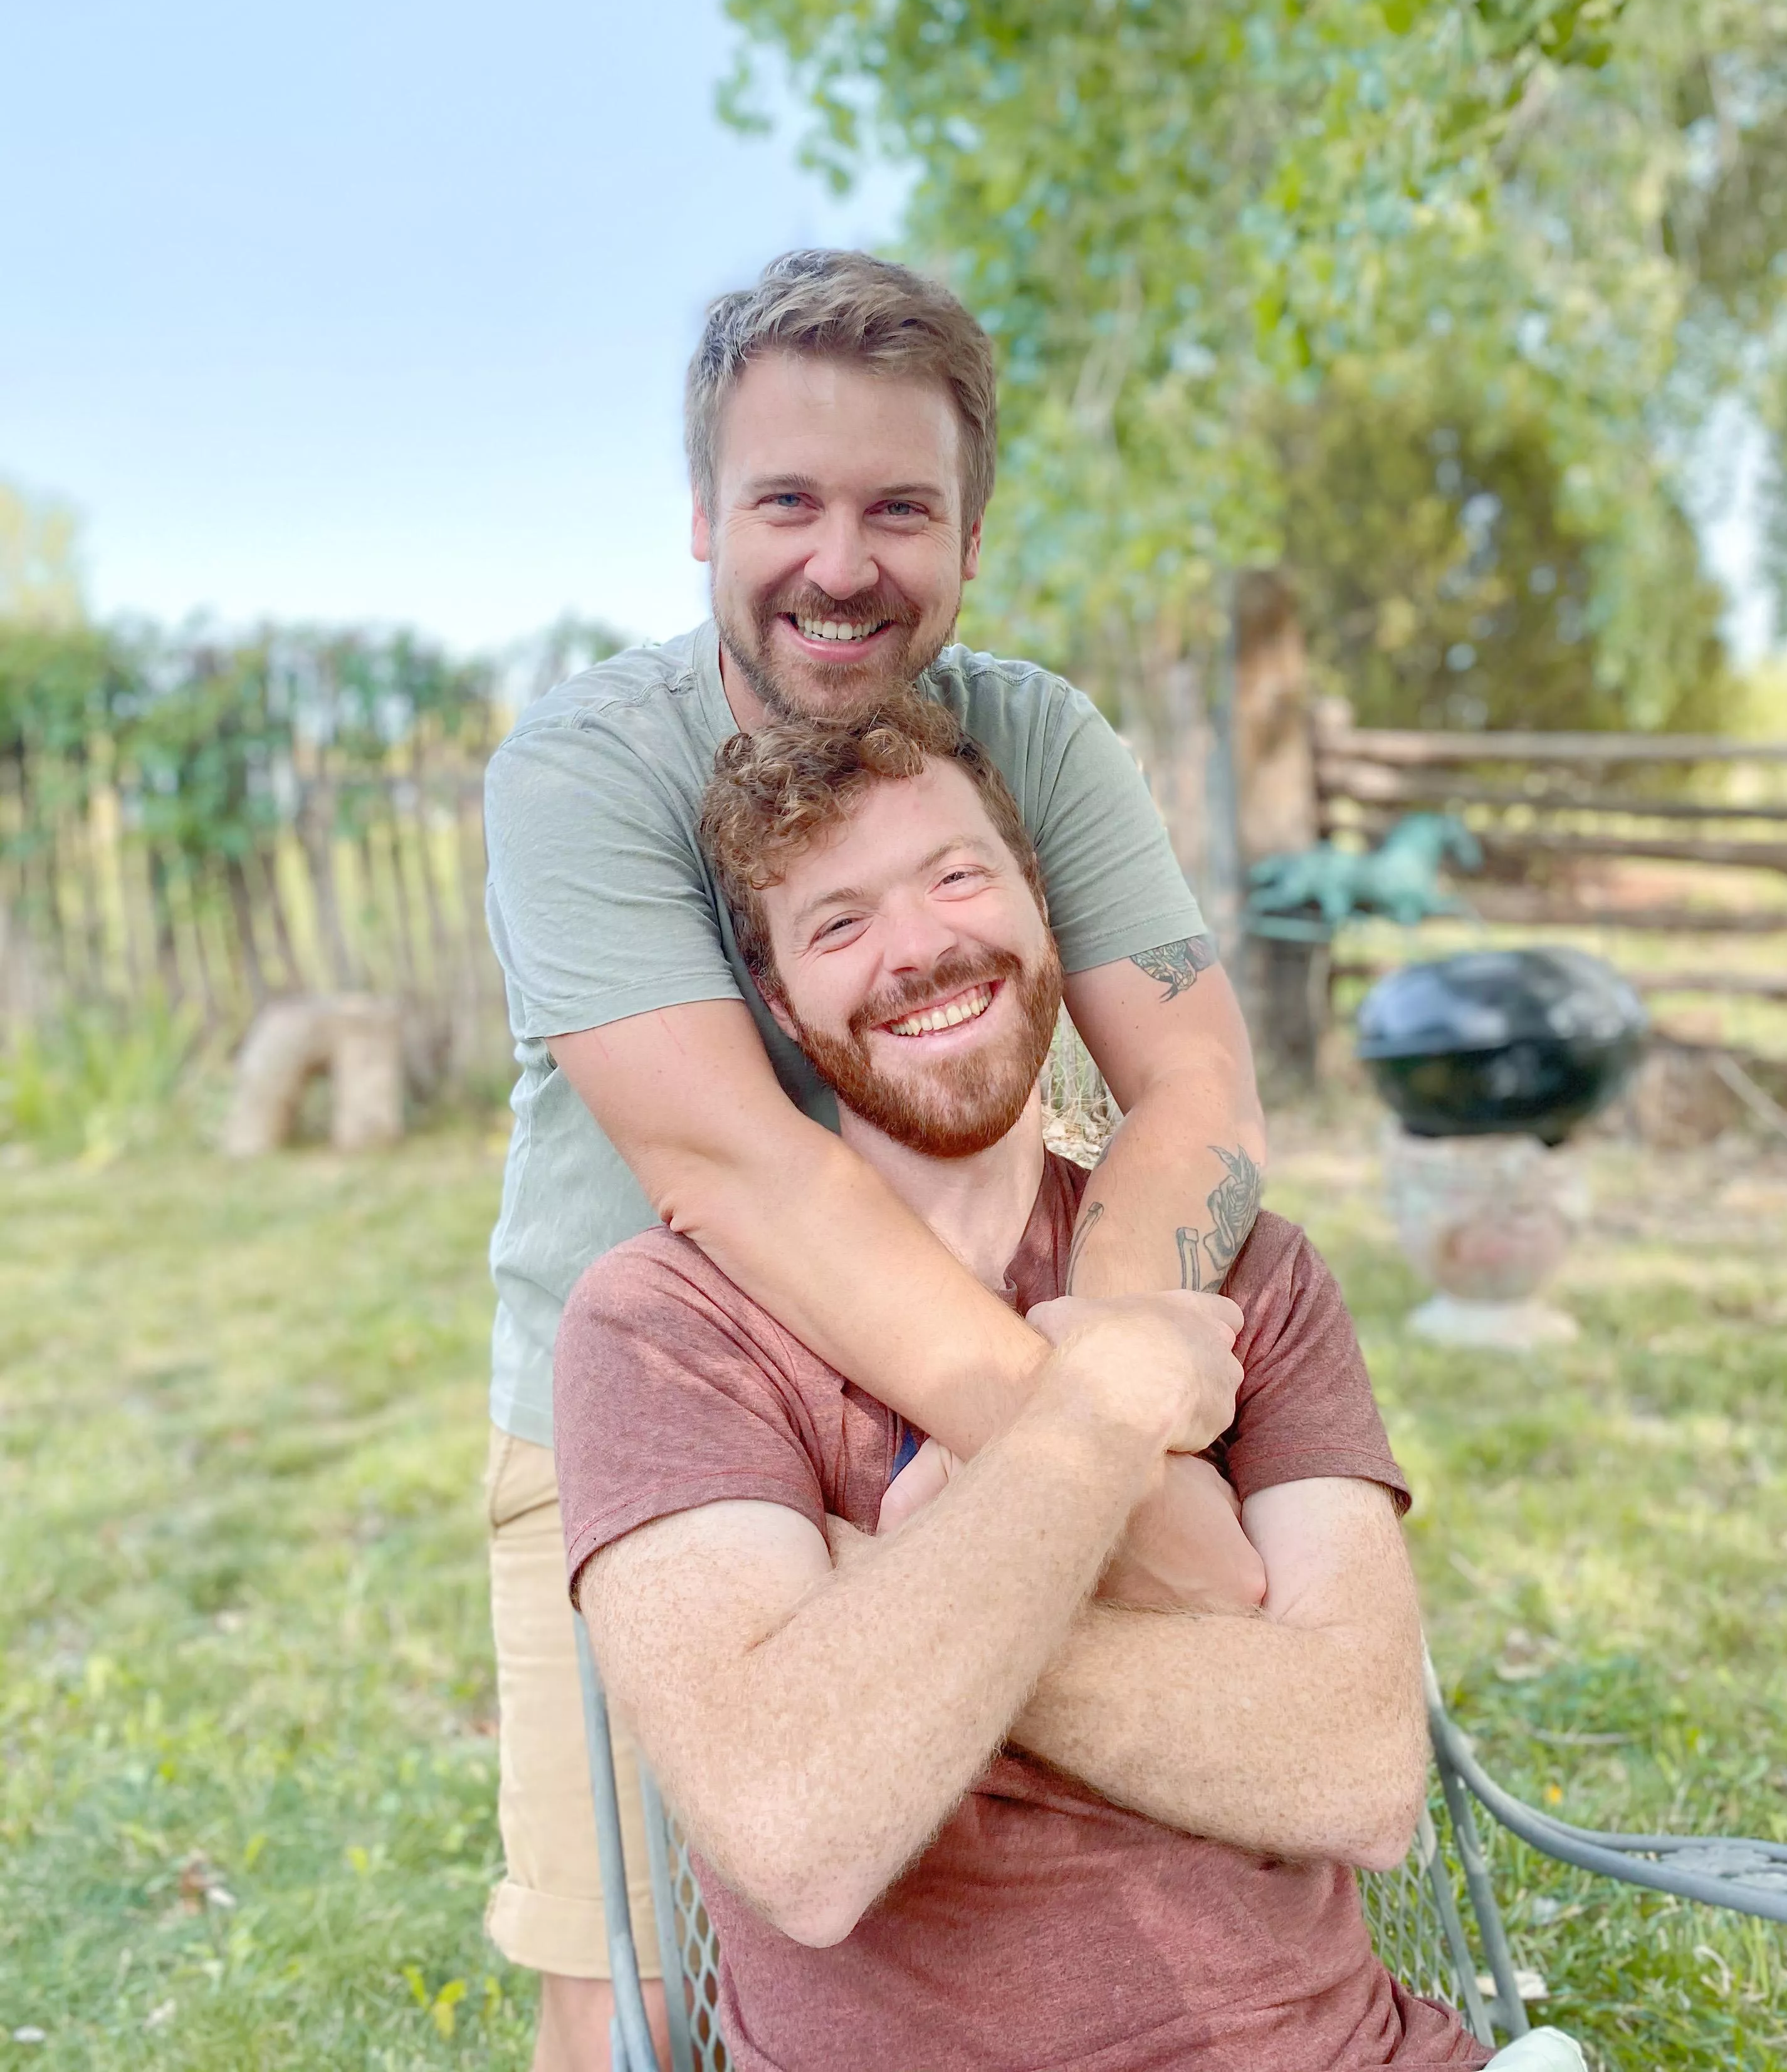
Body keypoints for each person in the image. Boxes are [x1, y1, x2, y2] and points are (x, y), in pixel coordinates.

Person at [481, 251, 1273, 2071]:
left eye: (900, 507)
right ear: (701, 518)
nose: (842, 562)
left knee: (1039, 1929)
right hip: (646, 1419)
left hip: (1004, 1372)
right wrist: (1112, 1465)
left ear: (971, 537)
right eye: (788, 502)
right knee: (641, 1988)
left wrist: (1120, 1354)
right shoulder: (585, 776)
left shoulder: (1043, 739)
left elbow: (1201, 1081)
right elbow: (743, 1171)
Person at [553, 695, 1580, 2068]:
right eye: (840, 924)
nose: (919, 949)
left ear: (1044, 909)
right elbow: (800, 1830)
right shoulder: (666, 1331)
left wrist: (886, 1609)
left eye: (958, 876)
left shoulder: (1255, 1276)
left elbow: (1358, 1771)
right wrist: (1097, 1412)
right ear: (782, 1007)